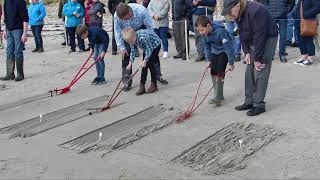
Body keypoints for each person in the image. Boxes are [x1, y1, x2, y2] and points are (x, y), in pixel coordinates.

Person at [222, 0, 278, 116]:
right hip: (254, 38)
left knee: (261, 69)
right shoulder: (238, 13)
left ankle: (259, 105)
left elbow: (260, 36)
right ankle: (249, 101)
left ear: (237, 5)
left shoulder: (255, 10)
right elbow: (242, 33)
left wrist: (257, 59)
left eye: (229, 12)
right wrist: (247, 52)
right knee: (249, 70)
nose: (229, 15)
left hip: (267, 38)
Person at [114, 3, 168, 91]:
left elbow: (150, 27)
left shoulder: (141, 11)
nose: (123, 20)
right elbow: (117, 31)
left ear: (129, 13)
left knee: (151, 59)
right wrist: (122, 47)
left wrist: (146, 57)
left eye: (124, 19)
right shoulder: (117, 15)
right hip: (127, 33)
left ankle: (157, 76)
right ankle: (127, 81)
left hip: (143, 31)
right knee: (126, 55)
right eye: (122, 19)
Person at [195, 16, 235, 106]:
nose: (201, 33)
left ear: (208, 25)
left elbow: (228, 47)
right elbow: (207, 46)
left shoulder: (221, 32)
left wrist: (231, 63)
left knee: (220, 71)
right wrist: (208, 59)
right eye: (199, 31)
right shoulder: (204, 35)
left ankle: (218, 97)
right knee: (213, 71)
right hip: (215, 50)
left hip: (224, 50)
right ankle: (218, 95)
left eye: (202, 30)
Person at [122, 28, 160, 95]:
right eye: (129, 42)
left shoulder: (143, 37)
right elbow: (133, 51)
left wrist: (145, 60)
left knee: (150, 64)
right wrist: (130, 63)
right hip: (147, 47)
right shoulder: (131, 39)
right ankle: (142, 86)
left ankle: (154, 85)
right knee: (144, 67)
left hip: (155, 45)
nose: (130, 43)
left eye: (131, 41)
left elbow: (149, 49)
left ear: (134, 36)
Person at [1, 0, 29, 81]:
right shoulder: (6, 1)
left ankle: (20, 74)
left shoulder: (20, 1)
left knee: (18, 52)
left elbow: (25, 18)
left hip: (18, 30)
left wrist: (24, 33)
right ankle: (10, 74)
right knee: (9, 51)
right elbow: (5, 17)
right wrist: (4, 29)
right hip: (9, 30)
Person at [293, 0, 320, 66]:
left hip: (307, 21)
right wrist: (293, 15)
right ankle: (304, 56)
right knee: (300, 40)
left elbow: (318, 7)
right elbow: (297, 8)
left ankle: (311, 58)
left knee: (308, 40)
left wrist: (306, 14)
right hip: (298, 21)